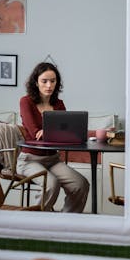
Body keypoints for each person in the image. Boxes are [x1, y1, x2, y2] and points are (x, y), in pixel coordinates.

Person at [16, 62, 89, 212]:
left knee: (81, 184)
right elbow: (35, 132)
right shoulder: (26, 102)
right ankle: (36, 223)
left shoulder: (59, 105)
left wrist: (55, 133)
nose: (49, 85)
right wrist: (53, 132)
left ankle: (64, 223)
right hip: (29, 160)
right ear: (36, 82)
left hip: (53, 160)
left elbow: (65, 134)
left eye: (53, 81)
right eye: (44, 81)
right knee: (51, 183)